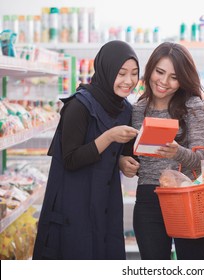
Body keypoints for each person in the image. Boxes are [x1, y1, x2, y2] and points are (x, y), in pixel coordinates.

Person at [33, 40, 140, 260]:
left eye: (134, 73)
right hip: (73, 201)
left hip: (105, 201)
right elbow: (70, 159)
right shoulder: (79, 106)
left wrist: (123, 161)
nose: (128, 81)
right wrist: (109, 137)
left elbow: (118, 154)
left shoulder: (126, 109)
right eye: (121, 73)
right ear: (106, 70)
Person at [119, 42, 204, 260]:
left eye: (174, 77)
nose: (163, 82)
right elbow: (136, 158)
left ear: (183, 79)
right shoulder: (138, 109)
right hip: (148, 200)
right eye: (159, 72)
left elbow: (200, 162)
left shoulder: (193, 106)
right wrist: (124, 163)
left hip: (187, 199)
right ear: (150, 69)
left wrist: (177, 152)